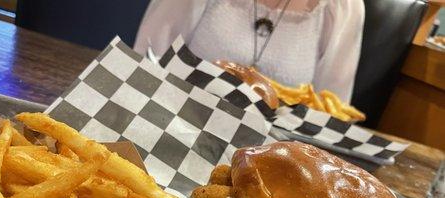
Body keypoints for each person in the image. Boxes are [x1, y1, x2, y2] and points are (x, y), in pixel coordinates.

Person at [134, 0, 364, 102]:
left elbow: (331, 113)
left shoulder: (344, 8)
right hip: (172, 129)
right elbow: (145, 67)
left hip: (271, 167)